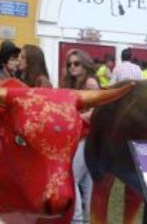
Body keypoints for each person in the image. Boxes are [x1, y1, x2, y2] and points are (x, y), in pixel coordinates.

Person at [62, 50, 98, 224]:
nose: (72, 67)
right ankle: (87, 219)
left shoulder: (90, 82)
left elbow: (97, 109)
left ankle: (76, 219)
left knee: (72, 178)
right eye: (69, 64)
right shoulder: (73, 82)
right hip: (77, 135)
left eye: (76, 63)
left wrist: (76, 117)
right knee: (86, 183)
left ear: (85, 64)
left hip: (86, 136)